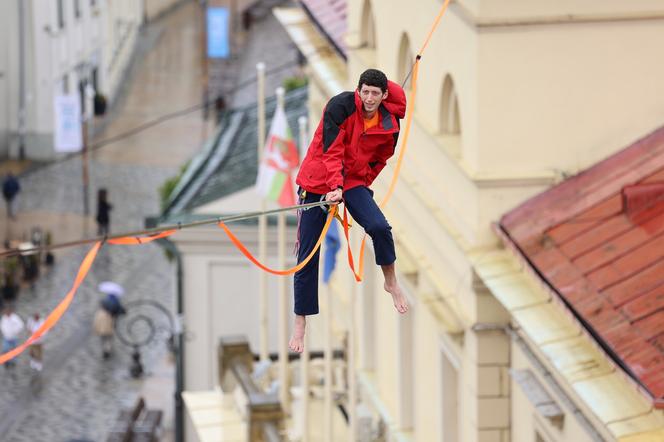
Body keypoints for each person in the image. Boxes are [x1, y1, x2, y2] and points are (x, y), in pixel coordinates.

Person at [289, 69, 409, 353]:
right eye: (364, 91)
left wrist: (360, 184)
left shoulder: (389, 123)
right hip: (318, 180)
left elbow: (382, 158)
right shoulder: (340, 107)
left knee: (380, 227)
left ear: (383, 96)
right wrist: (334, 187)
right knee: (307, 254)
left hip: (353, 180)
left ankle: (390, 280)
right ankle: (300, 321)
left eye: (375, 93)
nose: (369, 98)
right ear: (358, 91)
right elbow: (331, 151)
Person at [93, 292, 125, 359]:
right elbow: (121, 311)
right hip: (109, 322)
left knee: (103, 336)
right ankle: (107, 349)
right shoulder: (116, 303)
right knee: (109, 336)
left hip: (101, 320)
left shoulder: (105, 301)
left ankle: (104, 349)